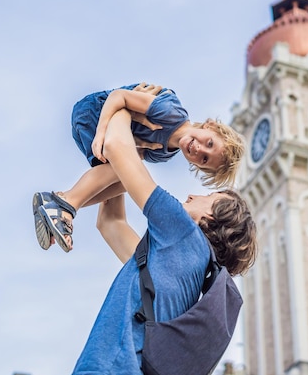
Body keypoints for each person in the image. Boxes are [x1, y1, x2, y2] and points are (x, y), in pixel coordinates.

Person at [72, 108, 257, 374]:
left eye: (208, 197)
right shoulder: (184, 271)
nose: (193, 195)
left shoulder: (182, 231)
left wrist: (125, 109)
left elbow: (115, 145)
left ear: (211, 217)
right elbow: (111, 223)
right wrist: (123, 156)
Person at [32, 82, 245, 253]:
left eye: (205, 159)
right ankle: (65, 205)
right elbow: (118, 97)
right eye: (209, 143)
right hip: (96, 112)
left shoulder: (165, 153)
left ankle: (56, 204)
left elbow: (134, 156)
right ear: (210, 126)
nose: (199, 149)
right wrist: (101, 131)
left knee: (126, 180)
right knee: (123, 167)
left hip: (106, 128)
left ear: (198, 166)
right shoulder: (173, 113)